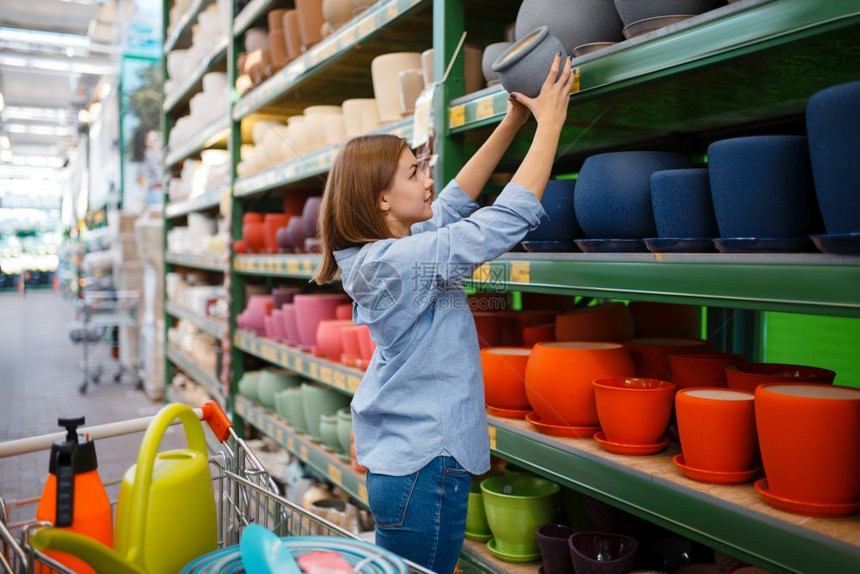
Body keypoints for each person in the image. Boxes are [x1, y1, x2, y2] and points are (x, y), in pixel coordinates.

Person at [313, 53, 574, 572]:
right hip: (423, 467)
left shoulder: (387, 251)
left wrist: (513, 123)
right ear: (382, 200)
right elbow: (498, 224)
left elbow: (453, 203)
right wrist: (552, 124)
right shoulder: (395, 263)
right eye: (414, 172)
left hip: (408, 467)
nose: (427, 178)